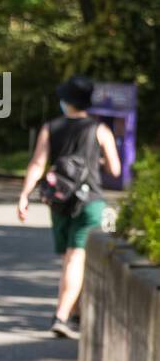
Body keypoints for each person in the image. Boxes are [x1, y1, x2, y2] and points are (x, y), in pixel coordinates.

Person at [17, 75, 122, 338]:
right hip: (90, 203)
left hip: (59, 201)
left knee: (70, 258)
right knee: (76, 258)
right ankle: (62, 317)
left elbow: (37, 164)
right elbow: (115, 168)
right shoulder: (99, 130)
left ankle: (75, 314)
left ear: (66, 102)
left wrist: (24, 194)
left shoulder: (50, 127)